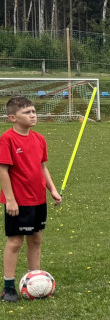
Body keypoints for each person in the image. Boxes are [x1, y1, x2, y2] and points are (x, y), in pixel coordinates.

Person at [1, 97, 62, 302]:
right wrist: (10, 199)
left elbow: (42, 167)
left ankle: (35, 280)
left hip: (38, 199)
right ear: (12, 118)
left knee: (36, 239)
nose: (33, 115)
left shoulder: (39, 139)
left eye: (34, 111)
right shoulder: (7, 139)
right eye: (27, 112)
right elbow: (3, 170)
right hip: (18, 202)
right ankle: (8, 287)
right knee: (15, 242)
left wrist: (52, 189)